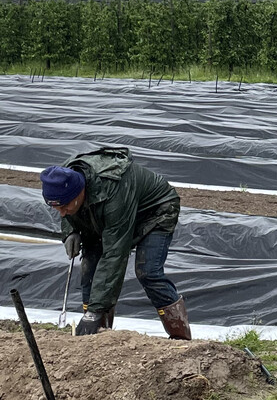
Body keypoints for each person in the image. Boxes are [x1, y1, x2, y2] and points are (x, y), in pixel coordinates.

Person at [41, 145, 191, 339]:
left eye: (65, 207)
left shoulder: (113, 189)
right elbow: (66, 205)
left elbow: (114, 254)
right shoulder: (62, 179)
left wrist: (95, 311)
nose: (61, 212)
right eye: (57, 208)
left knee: (149, 272)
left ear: (80, 192)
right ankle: (98, 336)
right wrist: (70, 231)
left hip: (154, 211)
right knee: (89, 270)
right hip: (103, 213)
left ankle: (181, 339)